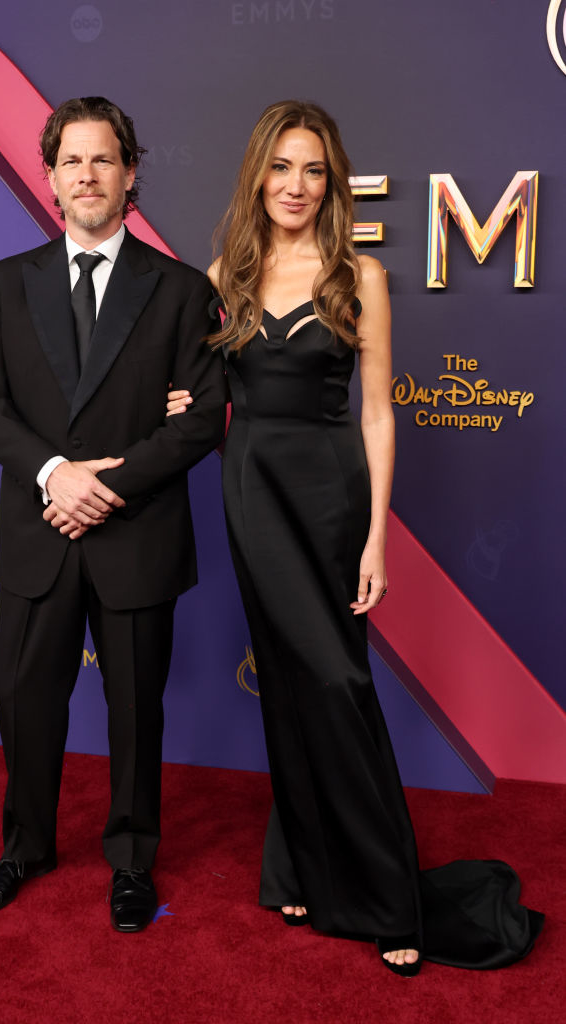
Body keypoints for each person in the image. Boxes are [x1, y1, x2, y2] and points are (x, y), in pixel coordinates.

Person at [167, 100, 542, 973]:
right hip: (253, 491)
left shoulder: (356, 274)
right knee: (293, 686)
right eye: (282, 167)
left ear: (330, 182)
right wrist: (178, 402)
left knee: (337, 680)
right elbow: (200, 390)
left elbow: (376, 414)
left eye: (313, 171)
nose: (296, 186)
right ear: (257, 175)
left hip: (333, 498)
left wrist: (375, 537)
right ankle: (299, 863)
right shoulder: (223, 271)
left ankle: (384, 894)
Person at [0, 97, 227, 931]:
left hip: (134, 533)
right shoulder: (6, 283)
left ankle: (132, 863)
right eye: (71, 160)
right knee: (24, 700)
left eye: (103, 159)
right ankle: (24, 849)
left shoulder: (182, 290)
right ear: (48, 177)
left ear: (131, 172)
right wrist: (53, 475)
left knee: (136, 709)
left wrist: (104, 486)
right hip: (38, 532)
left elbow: (201, 414)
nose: (87, 175)